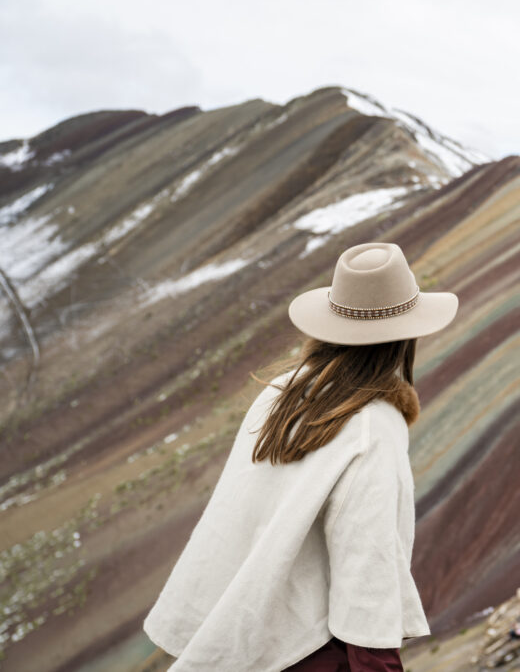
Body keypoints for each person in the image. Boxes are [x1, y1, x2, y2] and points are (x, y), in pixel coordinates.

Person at [142, 243, 459, 671]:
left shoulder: (282, 394)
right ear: (405, 337)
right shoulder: (374, 428)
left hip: (236, 637)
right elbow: (368, 574)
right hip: (303, 653)